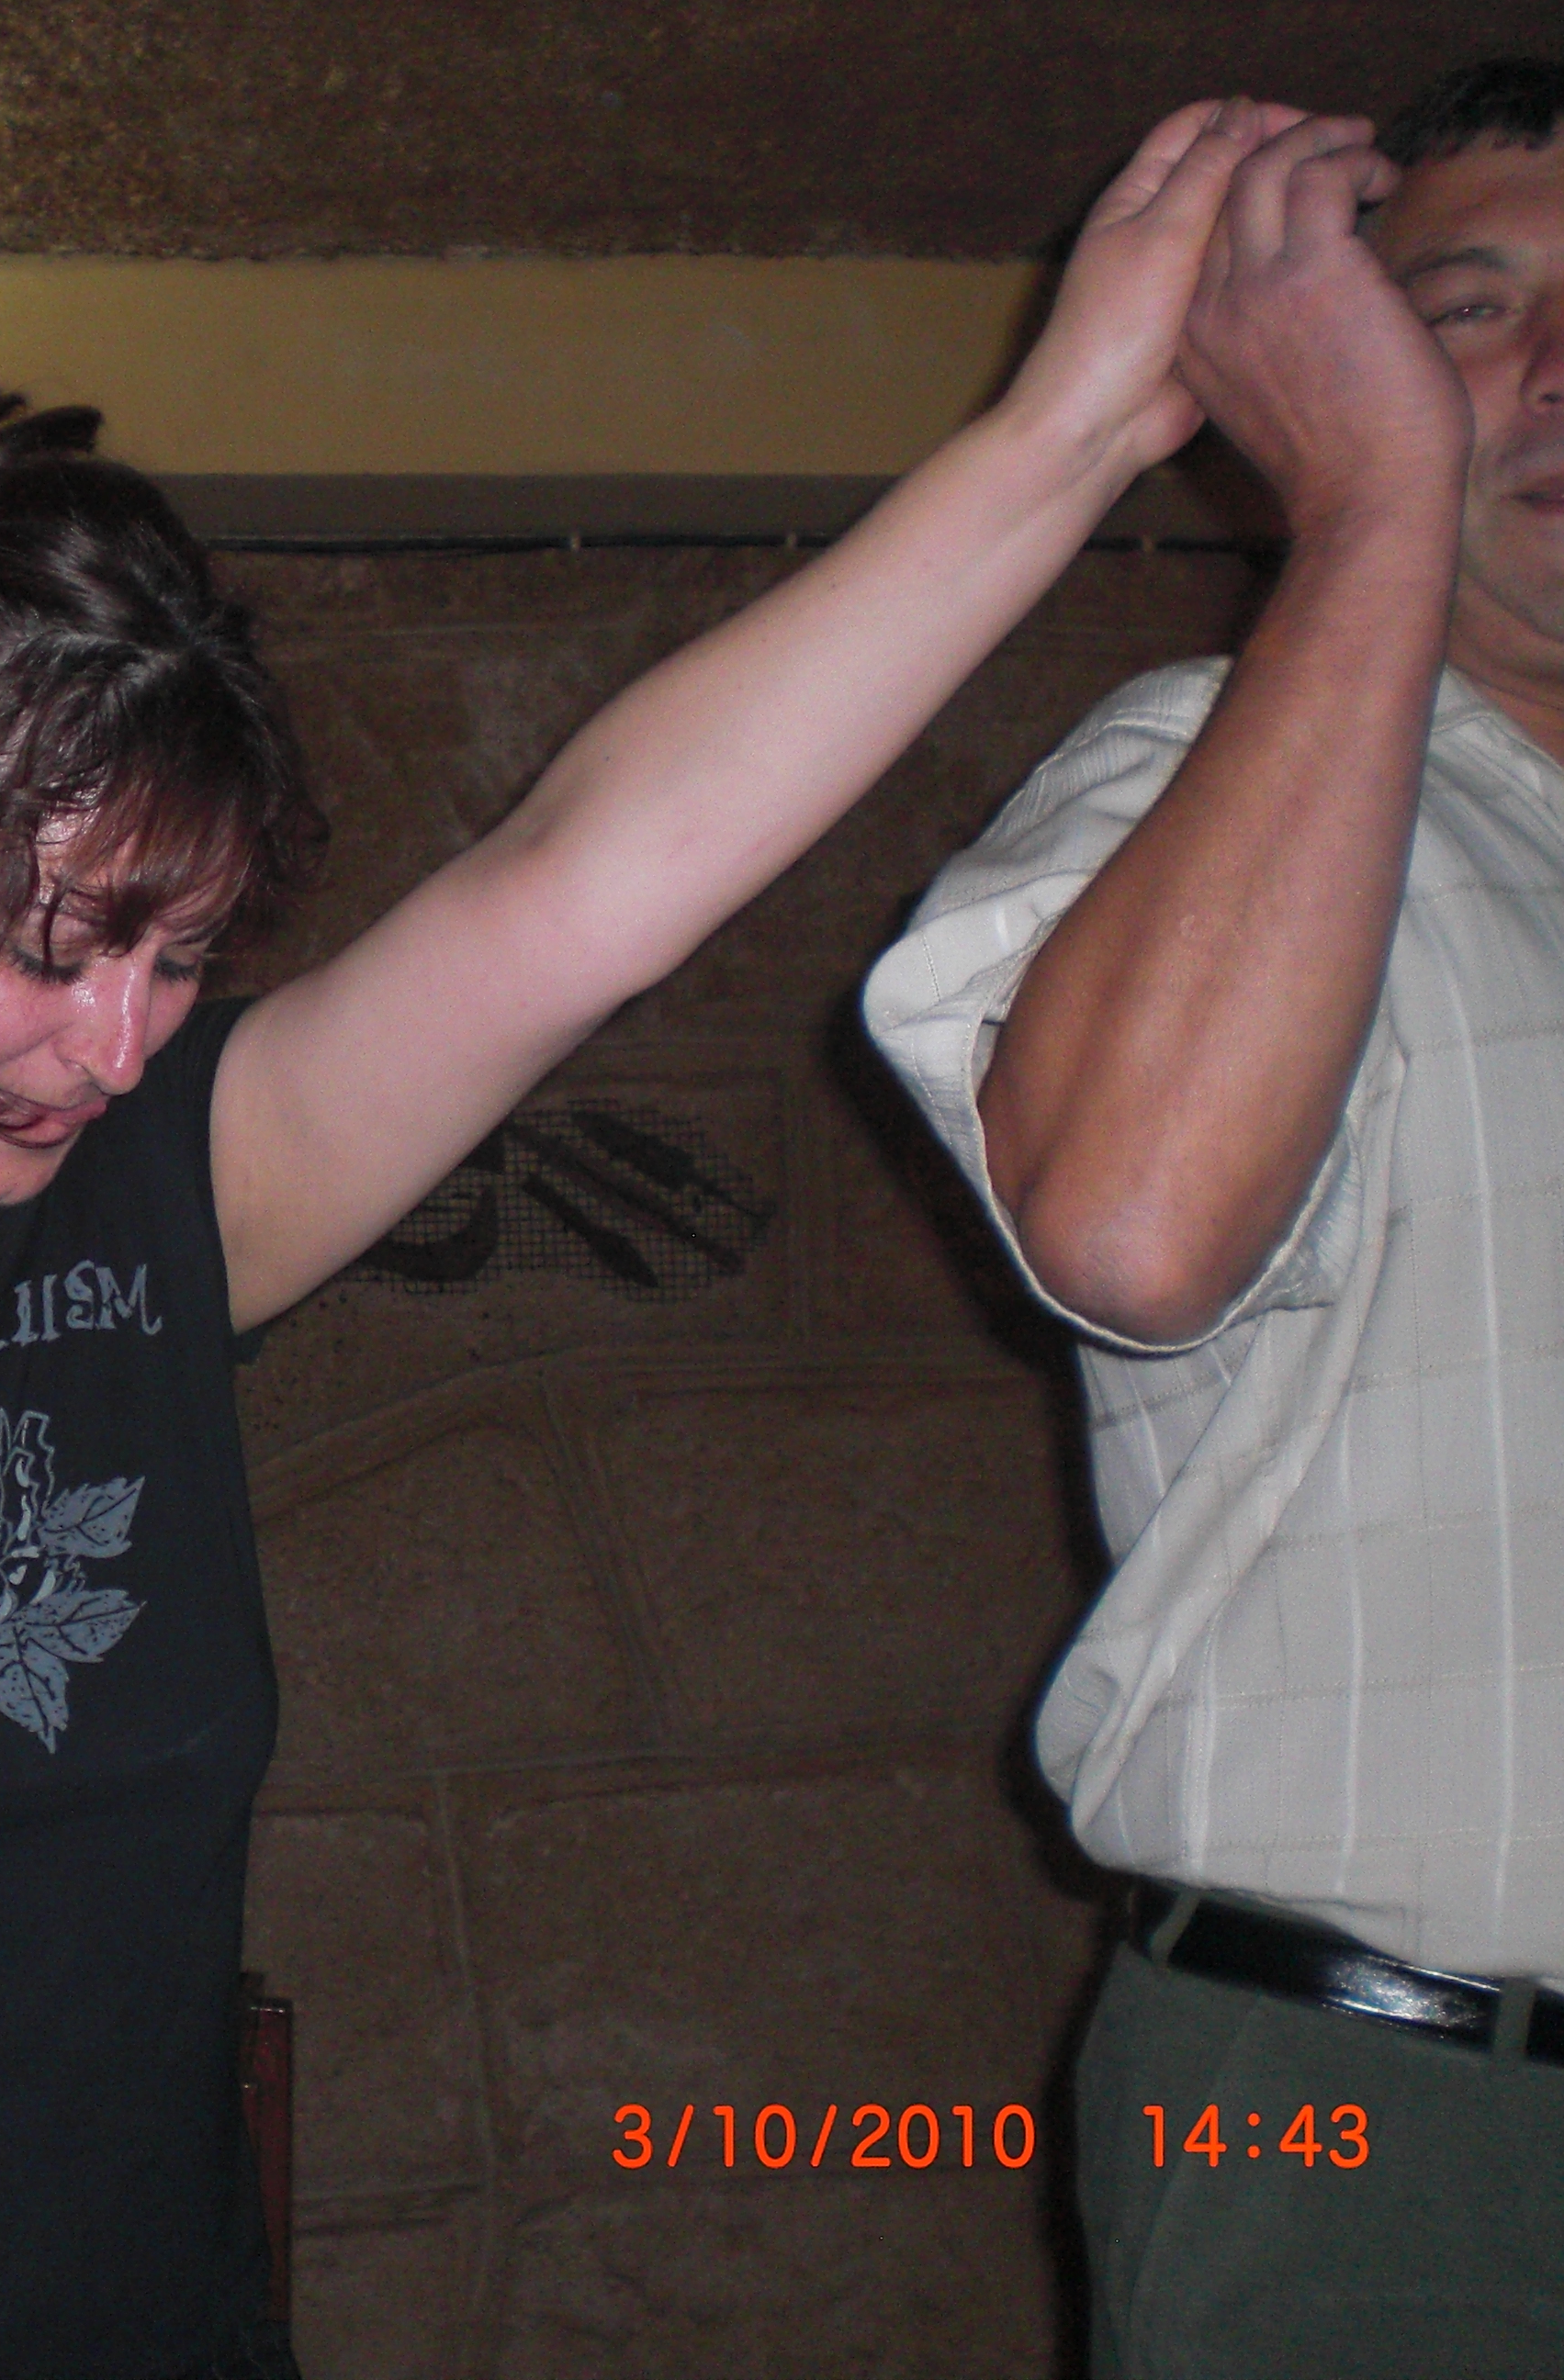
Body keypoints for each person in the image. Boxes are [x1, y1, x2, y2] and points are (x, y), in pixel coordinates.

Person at [0, 0, 1308, 2365]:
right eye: (51, 950)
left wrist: (1073, 424)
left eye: (177, 960)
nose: (117, 1049)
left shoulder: (168, 1182)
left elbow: (591, 879)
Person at [863, 56, 1564, 2380]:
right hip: (1394, 2121)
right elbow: (1135, 1227)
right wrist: (1374, 513)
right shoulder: (1201, 767)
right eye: (1474, 311)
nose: (1562, 369)